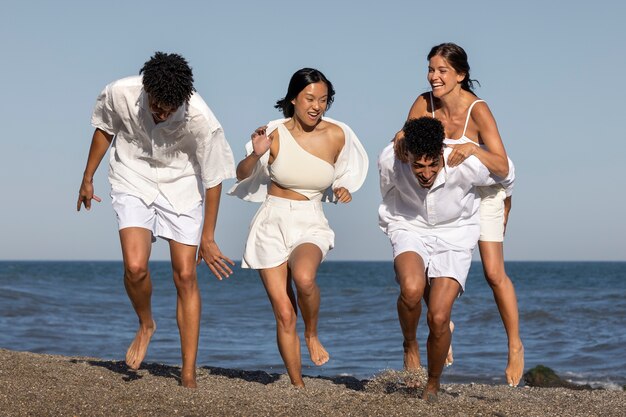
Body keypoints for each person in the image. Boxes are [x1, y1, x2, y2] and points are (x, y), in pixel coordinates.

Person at [76, 52, 236, 388]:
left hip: (181, 185)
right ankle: (146, 323)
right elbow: (105, 129)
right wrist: (87, 177)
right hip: (132, 176)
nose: (159, 113)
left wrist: (208, 237)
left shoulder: (202, 119)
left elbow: (214, 179)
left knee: (186, 275)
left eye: (168, 108)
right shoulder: (121, 92)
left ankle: (188, 372)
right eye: (155, 104)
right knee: (135, 267)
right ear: (146, 89)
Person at [394, 42, 524, 386]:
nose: (434, 77)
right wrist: (399, 136)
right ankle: (443, 322)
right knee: (425, 254)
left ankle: (514, 344)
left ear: (461, 75)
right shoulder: (424, 103)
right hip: (451, 191)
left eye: (442, 71)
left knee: (494, 273)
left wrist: (472, 148)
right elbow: (410, 141)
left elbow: (501, 164)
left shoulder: (477, 110)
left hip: (488, 189)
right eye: (431, 69)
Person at [228, 68, 368, 387]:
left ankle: (312, 332)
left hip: (311, 219)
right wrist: (257, 154)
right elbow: (241, 173)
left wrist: (343, 188)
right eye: (310, 98)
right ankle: (297, 384)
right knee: (284, 313)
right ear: (294, 99)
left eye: (323, 99)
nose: (317, 105)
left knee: (305, 279)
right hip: (271, 222)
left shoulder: (337, 134)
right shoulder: (273, 133)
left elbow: (347, 171)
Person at [379, 116, 514, 401]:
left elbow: (506, 173)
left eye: (433, 164)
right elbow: (387, 190)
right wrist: (396, 225)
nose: (426, 173)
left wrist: (506, 206)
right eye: (418, 165)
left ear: (441, 154)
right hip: (410, 226)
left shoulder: (462, 162)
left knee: (439, 317)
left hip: (455, 234)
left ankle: (433, 382)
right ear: (408, 156)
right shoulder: (392, 157)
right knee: (412, 289)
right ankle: (410, 344)